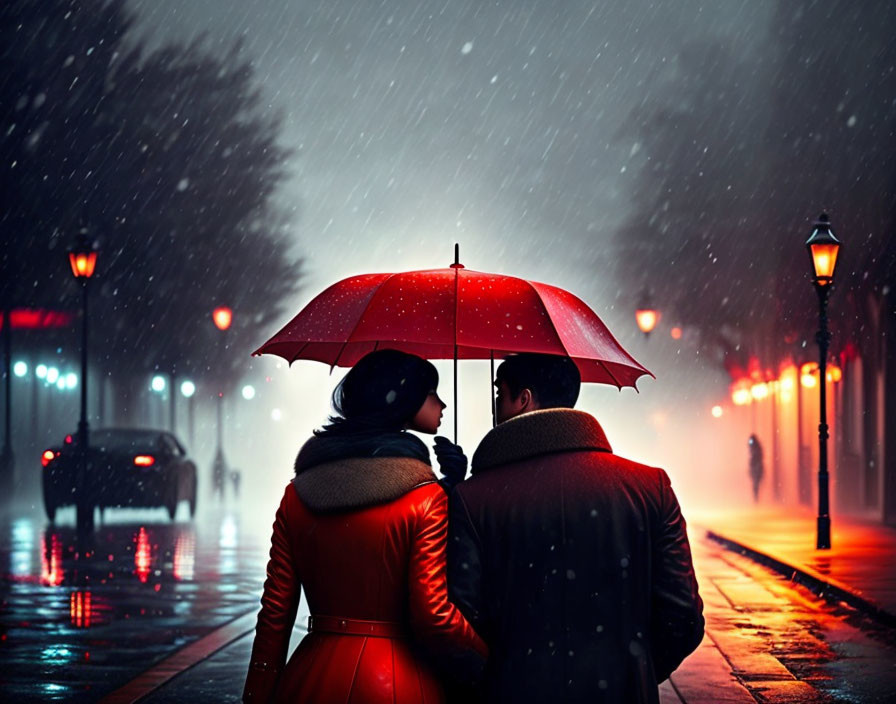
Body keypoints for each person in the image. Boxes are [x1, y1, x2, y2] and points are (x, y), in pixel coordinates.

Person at [447, 353, 704, 704]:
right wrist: (634, 669)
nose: (495, 407)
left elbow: (461, 618)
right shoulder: (649, 486)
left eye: (499, 395)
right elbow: (683, 615)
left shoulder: (474, 498)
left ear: (523, 400)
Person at [243, 349, 486, 703]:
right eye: (431, 393)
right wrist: (486, 658)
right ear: (402, 401)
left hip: (311, 677)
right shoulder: (425, 499)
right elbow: (433, 615)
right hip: (398, 682)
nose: (442, 404)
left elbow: (276, 613)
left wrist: (258, 692)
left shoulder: (296, 496)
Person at [748, 434, 764, 503]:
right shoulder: (754, 448)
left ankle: (756, 498)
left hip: (757, 467)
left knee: (756, 483)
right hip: (755, 467)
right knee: (755, 484)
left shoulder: (757, 448)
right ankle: (755, 498)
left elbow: (759, 457)